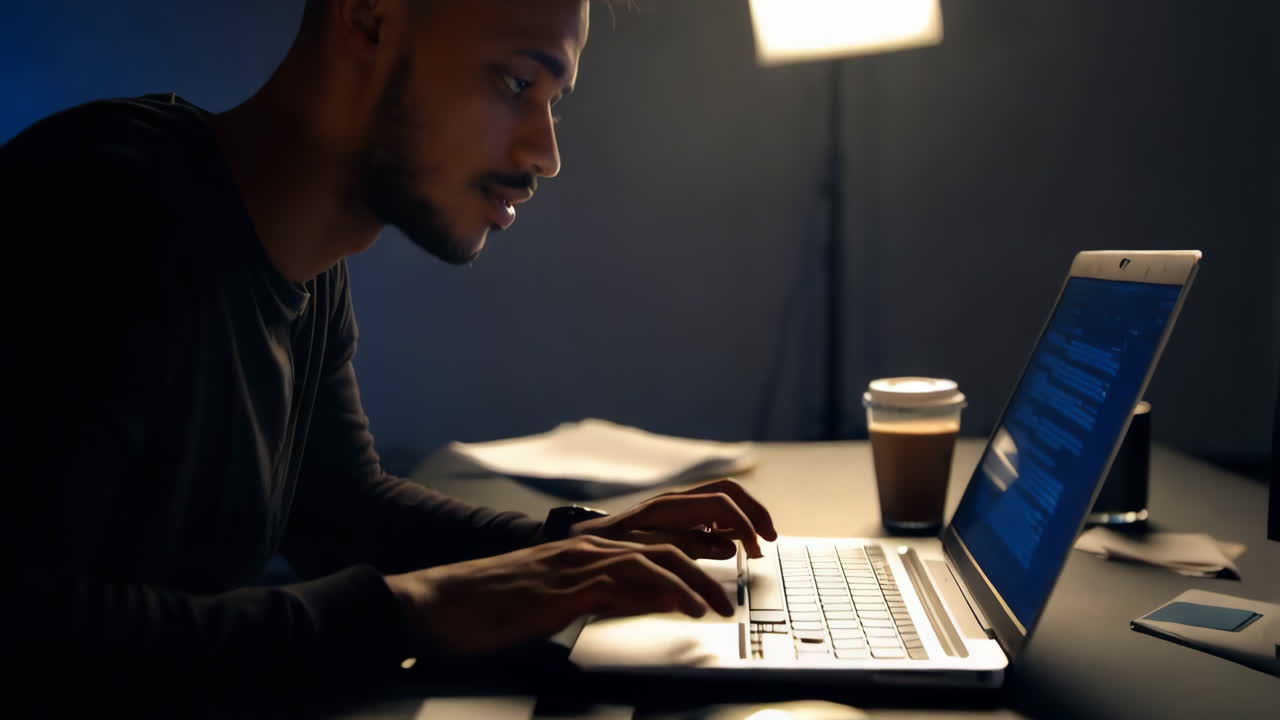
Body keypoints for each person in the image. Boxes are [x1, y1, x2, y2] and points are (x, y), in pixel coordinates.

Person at [1, 0, 777, 711]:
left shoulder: (302, 257)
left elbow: (341, 509)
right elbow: (31, 630)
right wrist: (419, 609)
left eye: (553, 100)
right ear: (370, 19)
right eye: (515, 80)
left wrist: (569, 547)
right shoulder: (103, 204)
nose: (546, 154)